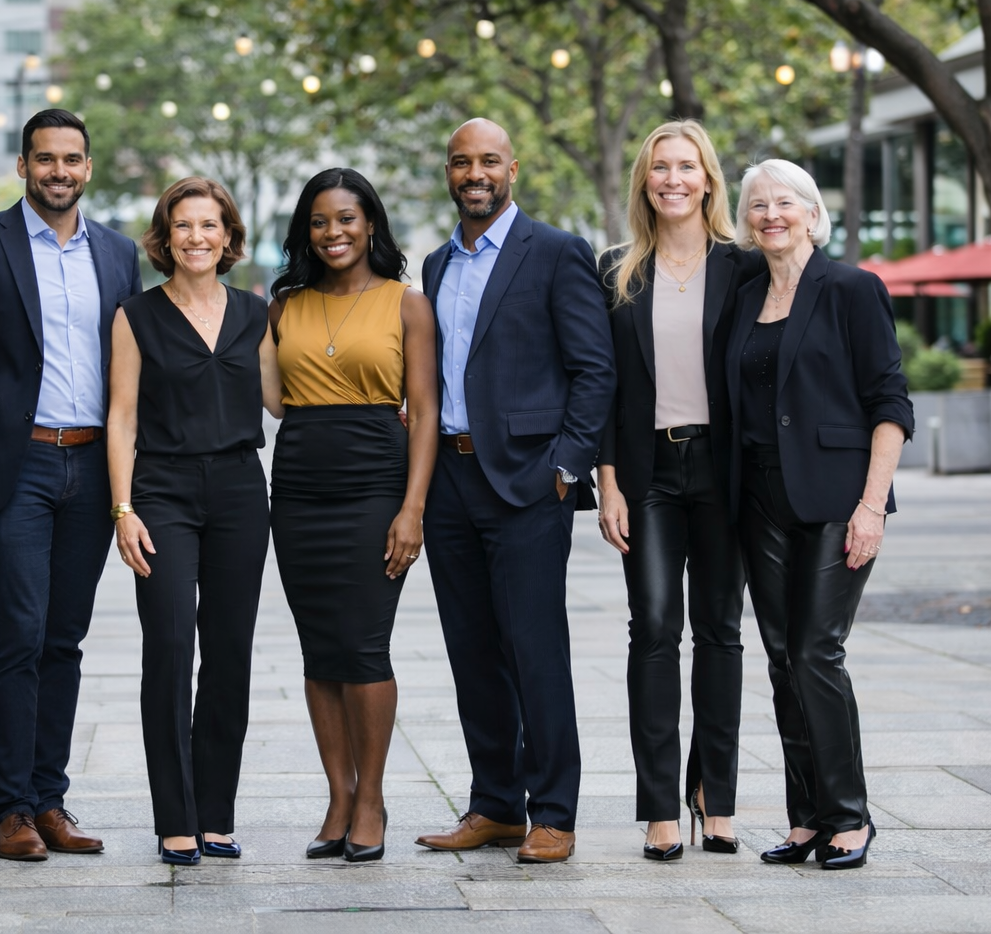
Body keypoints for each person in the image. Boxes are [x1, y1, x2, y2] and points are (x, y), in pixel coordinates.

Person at [415, 119, 614, 864]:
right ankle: (495, 803)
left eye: (489, 161)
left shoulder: (557, 252)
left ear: (513, 169)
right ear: (448, 171)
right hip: (451, 482)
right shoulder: (435, 265)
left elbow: (594, 370)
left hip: (529, 482)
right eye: (462, 162)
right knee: (472, 650)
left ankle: (554, 811)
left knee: (534, 648)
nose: (476, 173)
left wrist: (565, 468)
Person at [0, 108, 142, 862]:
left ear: (88, 168)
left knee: (64, 638)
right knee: (20, 632)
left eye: (71, 159)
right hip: (21, 462)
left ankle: (51, 799)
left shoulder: (119, 253)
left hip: (92, 464)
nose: (58, 171)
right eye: (45, 159)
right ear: (23, 166)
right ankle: (11, 809)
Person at [727, 160, 912, 870]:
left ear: (811, 212)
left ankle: (849, 816)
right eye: (757, 205)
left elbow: (890, 403)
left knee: (815, 653)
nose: (770, 214)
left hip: (839, 498)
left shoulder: (852, 288)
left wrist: (872, 506)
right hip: (761, 500)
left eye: (784, 203)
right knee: (781, 661)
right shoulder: (745, 294)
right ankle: (806, 818)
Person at [597, 121, 764, 860]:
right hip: (649, 476)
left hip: (726, 474)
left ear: (708, 180)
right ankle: (661, 802)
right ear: (644, 181)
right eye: (659, 167)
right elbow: (600, 388)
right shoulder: (616, 271)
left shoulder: (745, 267)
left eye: (685, 167)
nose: (672, 178)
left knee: (722, 632)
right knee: (656, 628)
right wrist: (607, 481)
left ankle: (716, 795)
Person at [107, 177, 278, 866]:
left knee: (230, 656)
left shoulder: (256, 314)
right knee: (172, 650)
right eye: (184, 226)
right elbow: (120, 416)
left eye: (210, 225)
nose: (197, 237)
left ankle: (216, 815)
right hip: (163, 492)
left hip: (240, 491)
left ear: (229, 237)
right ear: (165, 237)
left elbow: (283, 401)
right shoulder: (135, 317)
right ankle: (174, 816)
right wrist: (123, 509)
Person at [269, 167, 438, 863]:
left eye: (345, 218)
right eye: (318, 221)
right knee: (320, 649)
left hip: (376, 485)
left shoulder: (407, 304)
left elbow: (426, 411)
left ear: (370, 223)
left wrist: (413, 509)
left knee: (363, 644)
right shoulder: (283, 306)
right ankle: (337, 796)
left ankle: (371, 799)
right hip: (300, 484)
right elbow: (275, 403)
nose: (332, 232)